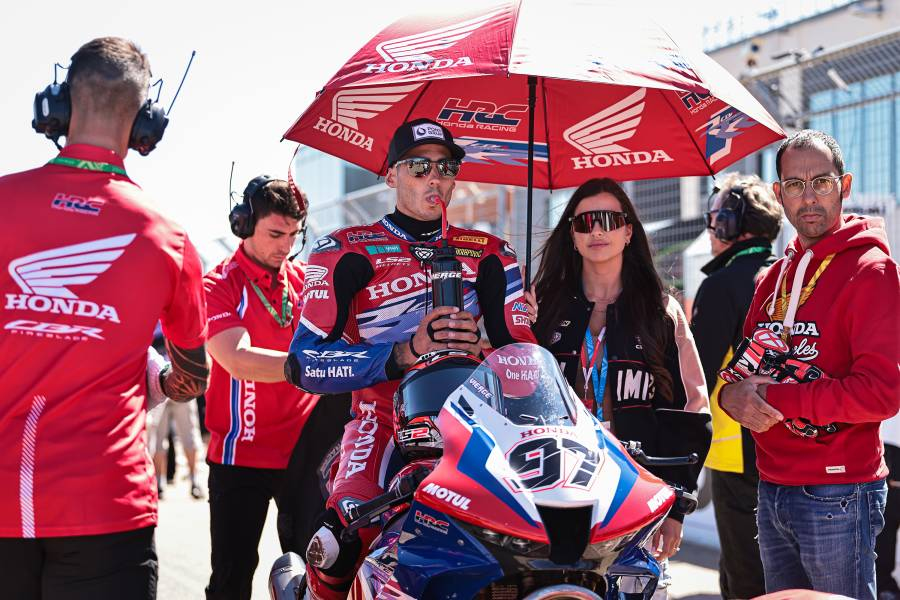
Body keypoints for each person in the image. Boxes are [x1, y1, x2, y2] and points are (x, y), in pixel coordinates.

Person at [285, 118, 536, 599]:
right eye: (419, 166)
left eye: (446, 167)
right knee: (337, 542)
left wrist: (481, 350)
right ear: (391, 175)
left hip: (476, 427)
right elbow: (304, 363)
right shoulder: (344, 250)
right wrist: (405, 351)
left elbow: (524, 361)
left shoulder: (491, 253)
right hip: (380, 420)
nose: (434, 177)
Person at [0, 37, 209, 600]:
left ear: (58, 104)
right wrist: (159, 377)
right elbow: (194, 378)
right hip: (106, 509)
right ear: (144, 124)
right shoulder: (168, 238)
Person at [719, 129, 900, 599]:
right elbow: (742, 372)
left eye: (821, 182)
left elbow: (880, 394)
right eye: (795, 185)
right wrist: (731, 397)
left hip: (839, 493)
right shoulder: (774, 278)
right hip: (771, 486)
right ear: (778, 194)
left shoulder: (872, 271)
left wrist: (775, 398)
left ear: (845, 185)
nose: (809, 196)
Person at [531, 178, 711, 596]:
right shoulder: (542, 306)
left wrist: (677, 505)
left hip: (635, 496)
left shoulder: (661, 311)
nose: (597, 230)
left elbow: (690, 412)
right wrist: (519, 320)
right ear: (572, 234)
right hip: (551, 490)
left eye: (609, 220)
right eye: (585, 222)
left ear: (628, 231)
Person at [203, 176, 348, 600]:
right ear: (244, 225)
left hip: (305, 456)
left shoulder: (307, 281)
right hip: (239, 456)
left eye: (294, 235)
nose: (286, 245)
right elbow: (237, 359)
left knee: (314, 575)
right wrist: (315, 367)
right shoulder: (218, 284)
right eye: (275, 234)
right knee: (231, 581)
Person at [690, 173, 783, 599]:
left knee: (744, 579)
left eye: (716, 218)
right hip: (798, 455)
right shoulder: (792, 278)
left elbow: (696, 378)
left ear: (730, 224)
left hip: (740, 459)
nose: (711, 228)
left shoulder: (721, 285)